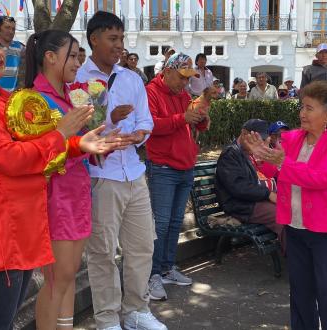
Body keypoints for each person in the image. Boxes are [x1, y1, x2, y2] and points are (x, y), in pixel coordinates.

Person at [0, 20, 113, 329]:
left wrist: (77, 144)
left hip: (18, 225)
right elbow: (11, 159)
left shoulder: (5, 98)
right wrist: (62, 134)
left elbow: (37, 149)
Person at [21, 29, 130, 329]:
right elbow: (36, 156)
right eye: (72, 55)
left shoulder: (70, 97)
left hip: (76, 194)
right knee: (57, 278)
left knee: (68, 276)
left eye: (78, 55)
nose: (77, 61)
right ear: (50, 57)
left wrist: (100, 146)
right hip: (55, 198)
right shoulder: (35, 101)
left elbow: (79, 145)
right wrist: (81, 146)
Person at [76, 11, 167, 330]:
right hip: (102, 177)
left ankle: (136, 310)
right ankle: (107, 319)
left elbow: (146, 120)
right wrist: (111, 119)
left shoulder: (131, 77)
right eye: (112, 39)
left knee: (143, 245)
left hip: (134, 171)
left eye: (122, 39)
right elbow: (80, 129)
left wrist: (139, 134)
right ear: (94, 39)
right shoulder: (79, 78)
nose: (119, 46)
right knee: (102, 252)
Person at [247, 80, 327, 329]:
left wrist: (283, 163)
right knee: (300, 292)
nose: (302, 113)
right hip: (296, 227)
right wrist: (261, 155)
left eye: (309, 108)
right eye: (302, 107)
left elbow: (321, 178)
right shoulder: (292, 138)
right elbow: (274, 169)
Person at [145, 52, 210, 301]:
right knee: (160, 224)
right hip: (163, 167)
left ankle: (167, 268)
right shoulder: (151, 91)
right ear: (168, 71)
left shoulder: (182, 94)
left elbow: (194, 123)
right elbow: (149, 125)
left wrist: (201, 119)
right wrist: (181, 118)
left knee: (174, 222)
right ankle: (152, 275)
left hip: (185, 165)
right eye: (182, 77)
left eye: (188, 78)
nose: (185, 83)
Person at [216, 119, 284, 251]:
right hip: (240, 206)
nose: (259, 143)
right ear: (244, 133)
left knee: (290, 211)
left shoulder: (246, 152)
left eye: (262, 139)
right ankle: (295, 261)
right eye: (256, 138)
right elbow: (238, 187)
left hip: (251, 201)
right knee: (282, 217)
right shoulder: (230, 154)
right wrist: (268, 194)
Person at [0, 16, 24, 92]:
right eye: (7, 28)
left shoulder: (21, 48)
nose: (11, 31)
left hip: (13, 98)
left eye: (13, 29)